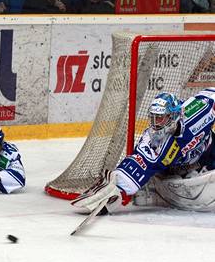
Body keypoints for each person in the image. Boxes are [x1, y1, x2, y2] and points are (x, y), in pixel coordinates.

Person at [72, 89, 215, 212]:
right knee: (179, 180)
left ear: (173, 116)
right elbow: (138, 163)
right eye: (153, 118)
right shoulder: (153, 141)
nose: (156, 124)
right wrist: (116, 187)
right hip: (178, 167)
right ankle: (154, 188)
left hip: (208, 149)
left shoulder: (197, 110)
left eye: (160, 118)